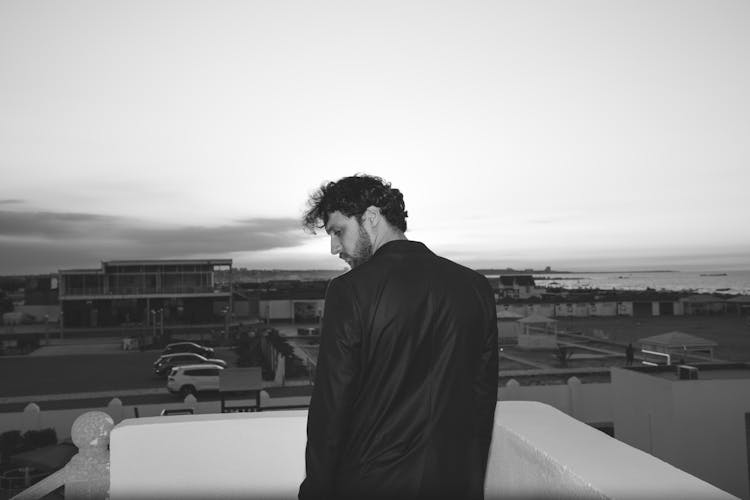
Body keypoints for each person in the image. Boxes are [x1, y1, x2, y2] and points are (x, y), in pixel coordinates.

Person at [298, 174, 499, 500]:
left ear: (372, 218)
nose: (335, 248)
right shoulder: (475, 288)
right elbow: (481, 405)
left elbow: (330, 410)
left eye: (338, 231)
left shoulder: (349, 291)